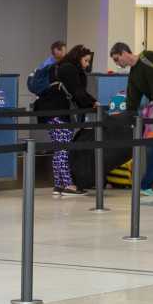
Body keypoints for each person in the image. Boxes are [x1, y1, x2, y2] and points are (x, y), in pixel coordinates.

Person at [47, 45, 97, 197]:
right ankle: (68, 185)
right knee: (63, 149)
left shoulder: (58, 67)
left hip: (50, 112)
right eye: (86, 60)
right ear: (78, 58)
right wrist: (93, 102)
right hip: (63, 113)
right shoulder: (69, 69)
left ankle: (59, 184)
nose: (87, 64)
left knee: (58, 149)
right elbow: (77, 92)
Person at [110, 42, 153, 114]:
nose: (116, 63)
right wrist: (126, 119)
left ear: (124, 53)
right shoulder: (133, 76)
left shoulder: (148, 56)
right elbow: (132, 103)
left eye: (116, 59)